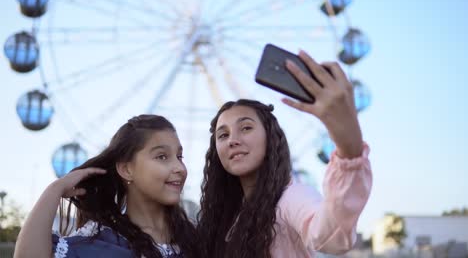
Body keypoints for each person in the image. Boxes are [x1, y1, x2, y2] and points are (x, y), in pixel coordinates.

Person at [197, 50, 372, 258]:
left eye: (246, 128)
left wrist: (349, 145)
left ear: (270, 138)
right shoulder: (225, 217)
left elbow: (330, 236)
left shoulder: (290, 198)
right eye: (223, 135)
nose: (233, 140)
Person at [15, 115, 200, 258]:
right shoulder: (100, 244)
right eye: (162, 156)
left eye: (179, 157)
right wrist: (55, 189)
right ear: (126, 169)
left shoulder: (199, 238)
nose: (179, 168)